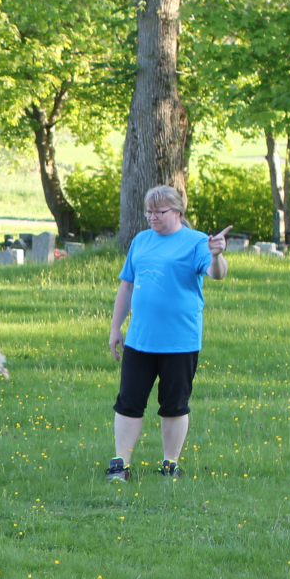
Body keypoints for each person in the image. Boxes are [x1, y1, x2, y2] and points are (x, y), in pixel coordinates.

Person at [105, 186, 230, 481]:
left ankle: (169, 463)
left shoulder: (197, 241)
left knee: (174, 405)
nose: (152, 217)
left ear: (177, 212)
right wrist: (115, 327)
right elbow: (127, 285)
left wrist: (216, 255)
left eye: (158, 212)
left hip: (179, 341)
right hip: (140, 339)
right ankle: (120, 463)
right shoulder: (141, 240)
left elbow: (217, 273)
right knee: (128, 402)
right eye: (148, 212)